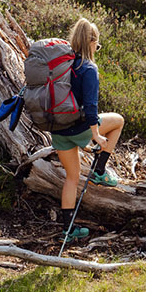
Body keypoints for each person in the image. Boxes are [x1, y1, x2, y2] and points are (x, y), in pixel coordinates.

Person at [51, 18, 125, 239]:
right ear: (91, 41)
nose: (97, 49)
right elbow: (91, 106)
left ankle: (68, 229)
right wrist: (95, 134)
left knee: (72, 177)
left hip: (59, 129)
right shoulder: (88, 68)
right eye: (97, 44)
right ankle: (99, 171)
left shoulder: (62, 64)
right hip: (80, 127)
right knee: (118, 120)